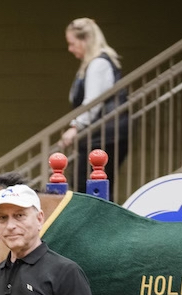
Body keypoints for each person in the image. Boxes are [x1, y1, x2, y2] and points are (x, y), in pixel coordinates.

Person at [59, 18, 129, 193]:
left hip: (104, 136)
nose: (70, 49)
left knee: (88, 187)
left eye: (72, 43)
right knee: (93, 186)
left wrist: (75, 127)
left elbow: (92, 102)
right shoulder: (97, 63)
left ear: (86, 40)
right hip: (102, 136)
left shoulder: (99, 64)